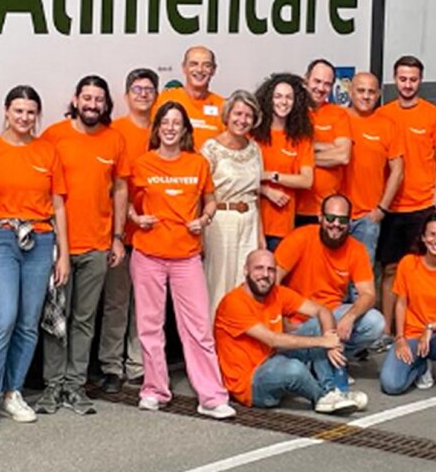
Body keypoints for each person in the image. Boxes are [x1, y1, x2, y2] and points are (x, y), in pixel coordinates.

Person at [128, 101, 236, 419]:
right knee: (149, 326)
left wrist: (204, 220)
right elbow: (126, 201)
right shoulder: (143, 164)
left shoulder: (197, 163)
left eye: (177, 123)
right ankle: (154, 389)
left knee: (198, 328)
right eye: (166, 122)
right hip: (148, 255)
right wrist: (136, 218)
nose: (171, 128)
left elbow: (211, 200)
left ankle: (211, 396)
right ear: (158, 128)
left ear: (185, 129)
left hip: (186, 256)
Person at [0, 86, 71, 435]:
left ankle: (11, 393)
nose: (24, 118)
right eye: (18, 111)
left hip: (41, 240)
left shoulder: (47, 151)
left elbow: (58, 205)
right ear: (6, 111)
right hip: (1, 237)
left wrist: (64, 255)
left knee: (29, 323)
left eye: (31, 112)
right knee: (3, 318)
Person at [36, 76, 129, 416]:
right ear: (75, 100)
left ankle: (75, 385)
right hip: (58, 246)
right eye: (86, 98)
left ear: (106, 104)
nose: (92, 104)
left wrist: (117, 237)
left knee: (84, 319)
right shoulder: (54, 136)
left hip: (96, 246)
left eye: (98, 99)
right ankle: (52, 385)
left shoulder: (114, 139)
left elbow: (120, 189)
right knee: (56, 320)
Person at [215, 250, 364, 414]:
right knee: (293, 368)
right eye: (259, 268)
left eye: (271, 270)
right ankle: (322, 396)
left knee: (317, 326)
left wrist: (331, 342)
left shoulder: (277, 293)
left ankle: (332, 391)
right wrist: (323, 342)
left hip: (273, 358)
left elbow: (322, 311)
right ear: (246, 271)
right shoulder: (233, 302)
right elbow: (272, 339)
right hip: (250, 383)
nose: (265, 274)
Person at [376, 56, 436, 349]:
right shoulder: (383, 115)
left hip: (423, 207)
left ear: (420, 80)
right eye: (403, 79)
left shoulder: (434, 116)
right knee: (390, 270)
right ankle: (385, 331)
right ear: (395, 79)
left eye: (413, 79)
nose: (407, 84)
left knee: (421, 272)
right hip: (392, 208)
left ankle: (419, 329)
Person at [98, 68, 158, 394]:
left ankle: (139, 364)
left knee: (146, 306)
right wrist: (128, 219)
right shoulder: (115, 132)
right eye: (137, 89)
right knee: (117, 302)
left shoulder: (163, 131)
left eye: (149, 89)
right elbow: (111, 184)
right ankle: (111, 365)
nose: (143, 94)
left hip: (155, 234)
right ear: (125, 95)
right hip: (122, 232)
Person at [275, 194, 385, 364]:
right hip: (299, 319)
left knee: (375, 322)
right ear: (320, 217)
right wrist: (282, 321)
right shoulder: (300, 237)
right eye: (330, 218)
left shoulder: (356, 250)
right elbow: (273, 282)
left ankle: (324, 359)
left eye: (342, 220)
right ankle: (320, 360)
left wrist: (350, 317)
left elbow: (368, 294)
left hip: (333, 317)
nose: (336, 224)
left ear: (350, 222)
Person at [379, 213, 436, 403]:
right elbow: (401, 303)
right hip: (412, 336)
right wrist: (400, 338)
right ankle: (421, 366)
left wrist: (431, 327)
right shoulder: (408, 263)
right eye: (432, 234)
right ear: (423, 237)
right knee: (391, 385)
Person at [200, 90, 264, 319]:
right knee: (218, 283)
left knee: (244, 283)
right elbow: (200, 194)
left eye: (248, 115)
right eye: (238, 113)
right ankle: (213, 337)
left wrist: (261, 236)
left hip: (250, 221)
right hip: (220, 221)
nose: (242, 120)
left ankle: (240, 336)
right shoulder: (210, 149)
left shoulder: (255, 149)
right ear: (227, 115)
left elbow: (256, 194)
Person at [343, 71, 403, 262]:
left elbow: (398, 171)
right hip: (335, 215)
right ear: (350, 91)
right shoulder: (337, 118)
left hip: (367, 218)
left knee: (363, 276)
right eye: (361, 91)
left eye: (371, 92)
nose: (366, 96)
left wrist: (381, 210)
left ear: (378, 95)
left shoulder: (388, 125)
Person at [252, 73, 314, 251]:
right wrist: (266, 191)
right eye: (278, 96)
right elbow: (239, 177)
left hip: (282, 224)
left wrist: (271, 176)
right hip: (252, 222)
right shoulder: (252, 134)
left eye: (289, 97)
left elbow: (306, 180)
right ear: (268, 100)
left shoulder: (301, 138)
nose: (283, 102)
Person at [297, 59, 352, 226]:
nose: (321, 88)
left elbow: (343, 156)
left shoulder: (338, 114)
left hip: (326, 210)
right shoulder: (292, 111)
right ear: (306, 80)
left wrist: (301, 157)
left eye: (327, 84)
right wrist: (328, 147)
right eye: (317, 81)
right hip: (291, 207)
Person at [154, 46, 226, 149]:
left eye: (207, 65)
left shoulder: (223, 106)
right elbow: (154, 138)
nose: (200, 70)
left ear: (213, 70)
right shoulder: (167, 98)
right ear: (184, 68)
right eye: (194, 64)